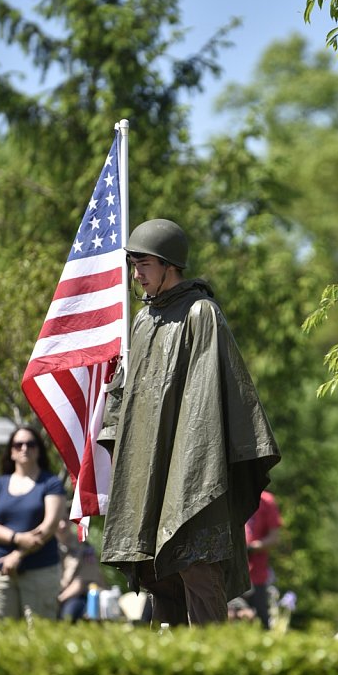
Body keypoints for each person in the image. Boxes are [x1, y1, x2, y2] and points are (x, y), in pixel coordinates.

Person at [100, 218, 280, 627]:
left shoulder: (202, 313)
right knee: (157, 574)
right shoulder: (143, 321)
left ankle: (210, 669)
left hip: (192, 468)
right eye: (133, 265)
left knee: (197, 566)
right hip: (151, 467)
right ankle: (169, 672)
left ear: (169, 264)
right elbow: (128, 395)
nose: (137, 274)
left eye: (143, 264)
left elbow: (211, 399)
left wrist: (191, 468)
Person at [0, 425, 66, 620]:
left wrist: (18, 555)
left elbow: (49, 526)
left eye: (30, 444)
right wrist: (17, 538)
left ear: (38, 450)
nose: (24, 448)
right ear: (11, 452)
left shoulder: (51, 483)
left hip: (41, 570)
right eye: (18, 444)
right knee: (5, 637)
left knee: (39, 636)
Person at [57, 509, 107, 622]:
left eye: (65, 519)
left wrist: (59, 599)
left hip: (76, 596)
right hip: (52, 594)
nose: (62, 525)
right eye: (58, 520)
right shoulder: (46, 547)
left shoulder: (84, 548)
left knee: (68, 615)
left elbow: (80, 583)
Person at [245, 489, 282, 629]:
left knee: (261, 623)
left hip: (256, 575)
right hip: (229, 573)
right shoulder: (229, 495)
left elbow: (274, 538)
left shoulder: (266, 500)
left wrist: (251, 548)